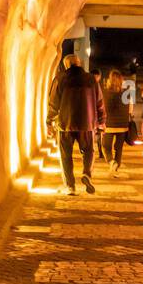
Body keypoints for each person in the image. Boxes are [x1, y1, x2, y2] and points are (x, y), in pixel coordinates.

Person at [46, 53, 105, 195]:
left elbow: (53, 103)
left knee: (65, 155)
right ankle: (86, 174)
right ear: (79, 63)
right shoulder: (91, 79)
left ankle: (70, 186)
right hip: (87, 123)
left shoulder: (60, 78)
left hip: (66, 123)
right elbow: (100, 103)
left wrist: (49, 121)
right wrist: (102, 121)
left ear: (66, 65)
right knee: (89, 151)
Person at [101, 68, 132, 176]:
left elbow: (102, 107)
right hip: (123, 125)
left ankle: (111, 161)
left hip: (109, 124)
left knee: (105, 146)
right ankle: (115, 169)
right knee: (118, 148)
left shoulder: (105, 92)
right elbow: (130, 109)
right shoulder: (126, 93)